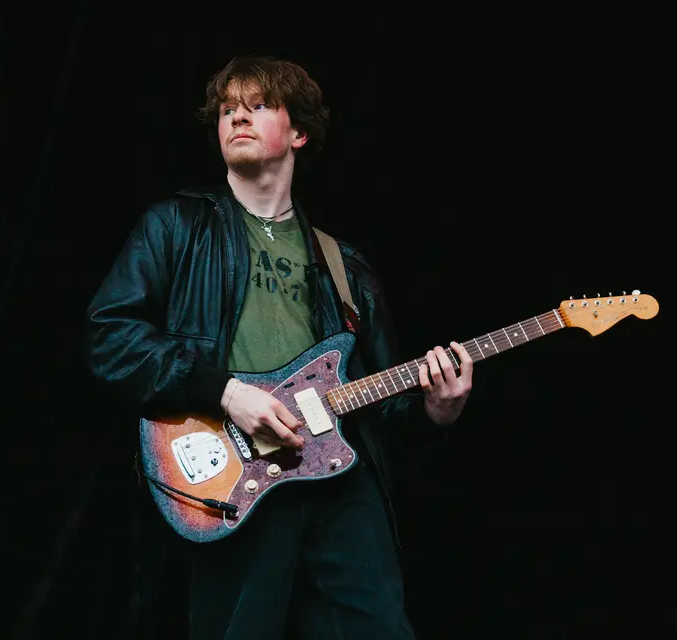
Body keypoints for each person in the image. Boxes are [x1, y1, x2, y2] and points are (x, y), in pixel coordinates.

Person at [84, 55, 474, 640]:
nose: (237, 117)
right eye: (227, 110)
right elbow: (110, 337)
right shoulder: (177, 226)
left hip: (341, 484)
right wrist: (226, 392)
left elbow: (385, 408)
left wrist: (437, 410)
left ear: (299, 133)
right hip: (235, 477)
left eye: (258, 105)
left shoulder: (346, 268)